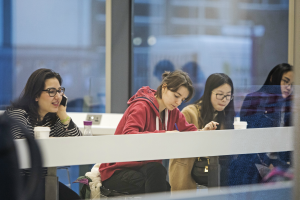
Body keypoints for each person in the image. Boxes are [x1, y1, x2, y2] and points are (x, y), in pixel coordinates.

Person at [99, 70, 216, 195]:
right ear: (164, 87)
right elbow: (129, 136)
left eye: (182, 99)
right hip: (116, 171)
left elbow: (188, 130)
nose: (178, 102)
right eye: (176, 96)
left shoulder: (173, 111)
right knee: (159, 181)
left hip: (145, 170)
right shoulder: (141, 106)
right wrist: (164, 134)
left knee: (159, 178)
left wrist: (203, 132)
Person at [5, 68, 82, 200]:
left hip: (43, 180)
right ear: (35, 95)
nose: (58, 96)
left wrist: (63, 114)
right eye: (51, 91)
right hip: (16, 181)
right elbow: (18, 153)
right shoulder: (18, 114)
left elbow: (78, 146)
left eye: (59, 91)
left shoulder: (53, 119)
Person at [169, 73, 235, 191]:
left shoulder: (225, 116)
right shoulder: (190, 112)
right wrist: (202, 134)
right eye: (220, 95)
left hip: (214, 171)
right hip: (189, 172)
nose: (224, 100)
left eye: (228, 96)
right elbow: (178, 145)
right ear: (209, 92)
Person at [229, 63, 293, 185]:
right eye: (285, 81)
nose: (289, 87)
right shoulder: (255, 99)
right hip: (254, 167)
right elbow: (249, 138)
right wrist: (269, 165)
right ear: (273, 79)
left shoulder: (288, 105)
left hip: (278, 167)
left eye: (291, 84)